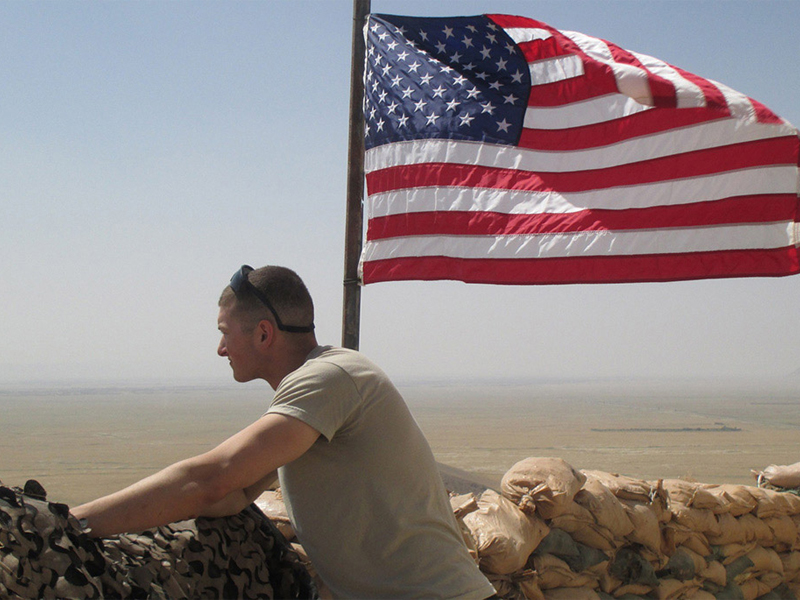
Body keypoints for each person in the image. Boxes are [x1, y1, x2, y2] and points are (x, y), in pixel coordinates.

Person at [73, 265, 496, 599]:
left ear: (262, 333)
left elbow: (209, 478)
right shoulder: (316, 391)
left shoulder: (329, 378)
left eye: (224, 333)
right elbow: (232, 494)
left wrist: (69, 525)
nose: (220, 349)